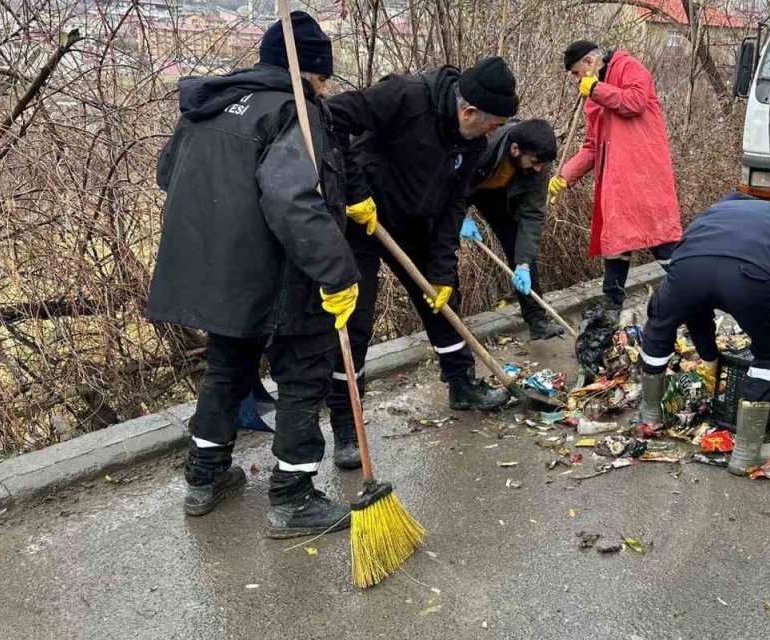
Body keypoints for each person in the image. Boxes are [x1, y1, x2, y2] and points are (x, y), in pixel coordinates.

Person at [147, 12, 362, 537]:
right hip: (280, 273)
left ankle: (204, 478)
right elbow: (294, 201)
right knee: (303, 377)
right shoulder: (295, 114)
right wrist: (337, 273)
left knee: (226, 369)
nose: (327, 88)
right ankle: (292, 497)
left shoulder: (209, 106)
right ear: (307, 72)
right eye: (323, 77)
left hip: (220, 275)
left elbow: (166, 174)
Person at [323, 57, 518, 469]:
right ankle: (346, 422)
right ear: (469, 112)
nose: (494, 133)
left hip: (415, 223)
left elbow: (453, 207)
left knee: (442, 301)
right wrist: (355, 191)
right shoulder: (405, 96)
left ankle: (461, 383)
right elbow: (333, 117)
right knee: (355, 321)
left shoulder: (472, 142)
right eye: (493, 124)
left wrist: (443, 270)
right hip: (362, 218)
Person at [635, 193, 770, 476]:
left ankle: (650, 417)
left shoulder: (714, 210)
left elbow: (697, 308)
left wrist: (709, 357)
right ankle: (746, 454)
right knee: (769, 353)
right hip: (753, 277)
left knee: (659, 324)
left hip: (688, 270)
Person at [551, 40, 683, 313]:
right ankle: (611, 307)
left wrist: (596, 89)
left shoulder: (629, 67)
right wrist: (565, 176)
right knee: (616, 242)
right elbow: (591, 146)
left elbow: (634, 102)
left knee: (662, 240)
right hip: (615, 183)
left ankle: (691, 292)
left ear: (589, 63)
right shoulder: (592, 97)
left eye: (577, 73)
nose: (577, 80)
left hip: (645, 177)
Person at [461, 118, 564, 341]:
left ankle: (537, 319)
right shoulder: (483, 142)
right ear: (515, 149)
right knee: (444, 251)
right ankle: (453, 333)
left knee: (520, 247)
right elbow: (453, 178)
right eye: (535, 161)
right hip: (468, 186)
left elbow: (533, 214)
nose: (539, 168)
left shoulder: (539, 162)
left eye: (542, 164)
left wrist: (524, 263)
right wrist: (463, 214)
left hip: (503, 196)